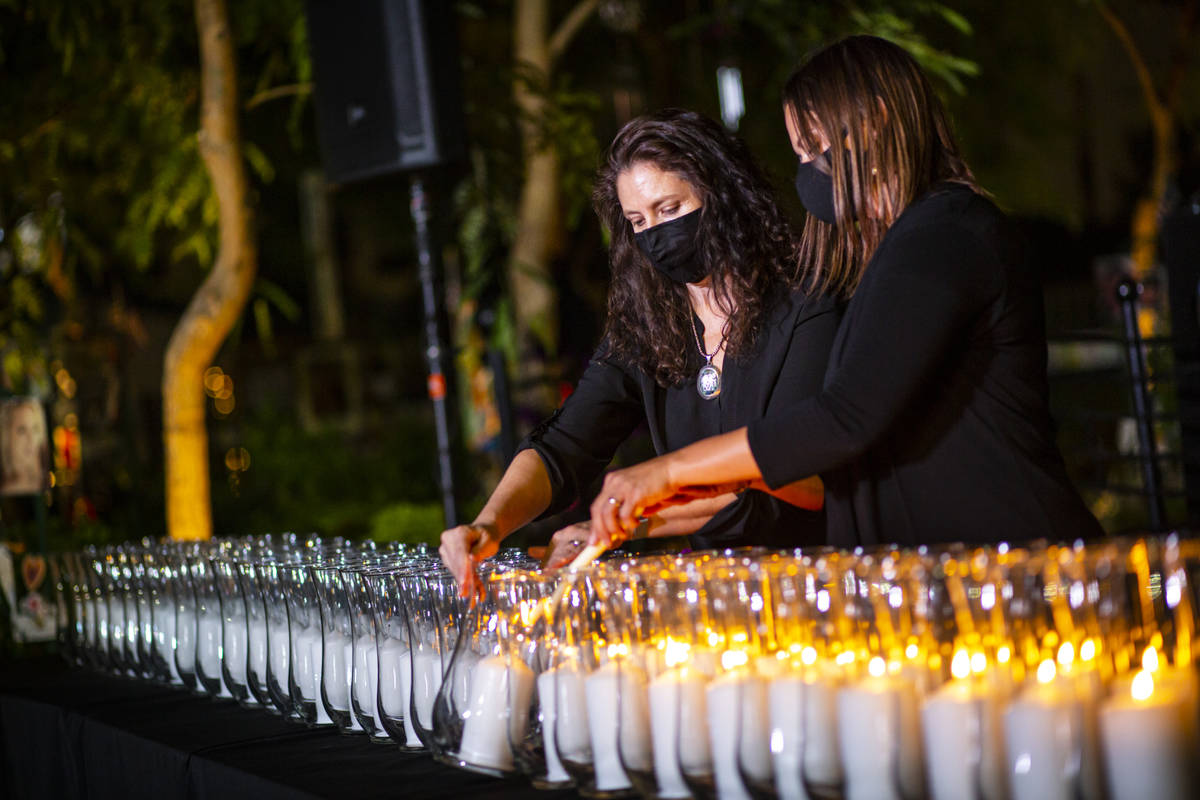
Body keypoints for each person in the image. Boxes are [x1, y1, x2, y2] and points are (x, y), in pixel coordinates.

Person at [588, 36, 1103, 550]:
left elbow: (844, 418)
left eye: (815, 147)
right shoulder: (903, 246)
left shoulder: (944, 238)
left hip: (1021, 567)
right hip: (949, 571)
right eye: (799, 154)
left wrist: (668, 472)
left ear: (874, 122)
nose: (808, 170)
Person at [439, 109, 841, 596]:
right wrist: (490, 525)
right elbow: (566, 444)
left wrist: (627, 522)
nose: (654, 234)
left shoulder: (806, 304)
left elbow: (790, 473)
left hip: (825, 583)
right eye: (637, 221)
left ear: (723, 195)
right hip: (719, 597)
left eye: (669, 210)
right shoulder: (649, 323)